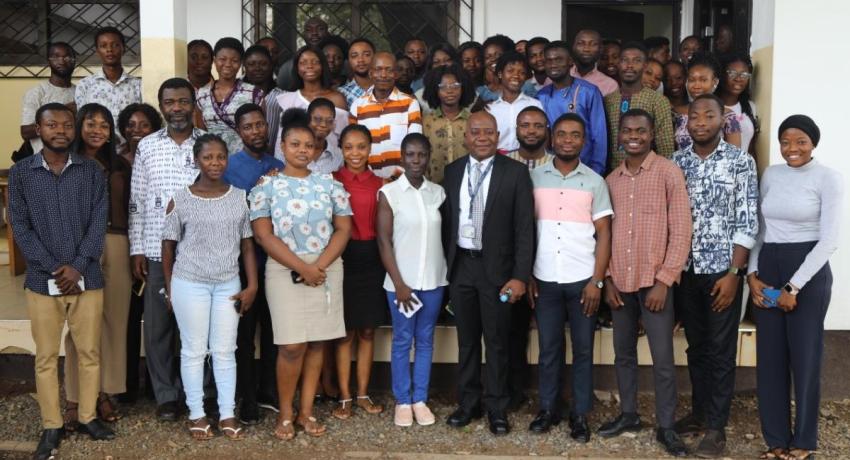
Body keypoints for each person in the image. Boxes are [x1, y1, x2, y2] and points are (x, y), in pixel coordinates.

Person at [8, 103, 113, 460]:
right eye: (52, 125)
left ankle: (87, 417)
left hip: (87, 278)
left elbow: (98, 221)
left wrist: (78, 266)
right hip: (43, 280)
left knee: (89, 352)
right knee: (46, 357)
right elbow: (20, 227)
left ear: (74, 130)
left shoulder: (91, 171)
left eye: (67, 125)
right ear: (38, 129)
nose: (61, 131)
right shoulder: (21, 173)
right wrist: (56, 267)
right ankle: (51, 424)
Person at [249, 112, 352, 440]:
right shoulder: (266, 186)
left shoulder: (329, 184)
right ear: (282, 146)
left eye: (309, 145)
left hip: (325, 268)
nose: (303, 150)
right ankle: (285, 413)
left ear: (317, 149)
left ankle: (306, 412)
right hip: (284, 270)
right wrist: (302, 268)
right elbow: (263, 235)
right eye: (295, 144)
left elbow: (343, 228)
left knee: (317, 342)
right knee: (292, 345)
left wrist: (318, 266)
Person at [747, 115, 842, 460]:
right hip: (769, 266)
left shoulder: (828, 178)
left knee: (805, 359)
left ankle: (803, 442)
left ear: (813, 143)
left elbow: (829, 240)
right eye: (785, 141)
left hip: (807, 273)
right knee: (769, 360)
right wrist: (752, 274)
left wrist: (793, 287)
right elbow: (761, 228)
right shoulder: (772, 175)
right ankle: (775, 440)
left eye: (801, 141)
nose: (792, 148)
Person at [599, 109, 691, 457]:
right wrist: (607, 279)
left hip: (655, 284)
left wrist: (664, 281)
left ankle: (666, 426)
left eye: (641, 130)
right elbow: (603, 235)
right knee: (623, 354)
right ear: (619, 136)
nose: (634, 136)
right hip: (620, 281)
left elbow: (681, 230)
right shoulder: (611, 181)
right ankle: (629, 415)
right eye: (627, 130)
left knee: (662, 358)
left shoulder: (668, 172)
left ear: (652, 135)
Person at [672, 94, 759, 458]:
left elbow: (747, 219)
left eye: (709, 115)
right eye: (695, 116)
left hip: (723, 272)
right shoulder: (676, 162)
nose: (701, 122)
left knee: (721, 351)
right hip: (687, 271)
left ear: (722, 120)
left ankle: (717, 428)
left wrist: (735, 272)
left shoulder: (741, 161)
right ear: (687, 123)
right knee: (697, 347)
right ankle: (699, 413)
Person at [442, 111, 534, 436]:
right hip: (462, 267)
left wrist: (520, 276)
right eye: (475, 132)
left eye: (488, 132)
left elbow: (525, 229)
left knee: (497, 342)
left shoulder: (516, 173)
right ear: (466, 136)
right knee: (466, 341)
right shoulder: (453, 171)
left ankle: (497, 407)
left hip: (498, 271)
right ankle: (468, 404)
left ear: (498, 136)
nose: (482, 137)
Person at [161, 134, 257, 440]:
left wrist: (252, 285)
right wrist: (170, 289)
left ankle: (227, 414)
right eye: (208, 157)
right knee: (193, 351)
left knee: (225, 350)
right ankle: (197, 414)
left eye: (220, 157)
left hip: (228, 283)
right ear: (196, 160)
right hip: (189, 283)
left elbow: (247, 245)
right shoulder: (181, 198)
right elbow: (168, 246)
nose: (215, 163)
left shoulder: (239, 196)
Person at [527, 113, 612, 441]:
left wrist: (597, 281)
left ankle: (580, 414)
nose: (567, 140)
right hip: (545, 279)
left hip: (582, 281)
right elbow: (526, 230)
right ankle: (548, 408)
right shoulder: (534, 178)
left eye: (575, 135)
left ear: (583, 141)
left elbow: (604, 234)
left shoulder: (595, 181)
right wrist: (527, 274)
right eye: (561, 134)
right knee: (548, 348)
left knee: (583, 350)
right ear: (552, 138)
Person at [129, 78, 205, 421]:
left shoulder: (208, 144)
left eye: (183, 101)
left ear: (193, 104)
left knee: (197, 327)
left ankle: (198, 394)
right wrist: (137, 248)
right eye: (170, 102)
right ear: (161, 106)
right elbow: (138, 199)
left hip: (199, 250)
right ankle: (166, 396)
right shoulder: (147, 146)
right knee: (158, 328)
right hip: (157, 250)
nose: (177, 108)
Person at [377, 133, 448, 427]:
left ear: (428, 156)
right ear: (402, 157)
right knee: (402, 340)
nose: (416, 160)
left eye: (421, 154)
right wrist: (399, 284)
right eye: (410, 154)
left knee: (426, 340)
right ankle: (403, 401)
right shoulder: (389, 193)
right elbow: (384, 240)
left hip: (434, 280)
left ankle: (420, 399)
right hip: (400, 284)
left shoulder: (438, 193)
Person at [63, 103, 127, 427]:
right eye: (91, 123)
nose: (97, 130)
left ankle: (104, 392)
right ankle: (75, 397)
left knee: (113, 322)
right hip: (78, 248)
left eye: (104, 125)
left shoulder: (119, 164)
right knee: (80, 324)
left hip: (116, 242)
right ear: (79, 126)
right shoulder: (65, 162)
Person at [223, 103, 284, 423]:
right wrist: (260, 187)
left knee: (274, 331)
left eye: (260, 125)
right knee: (244, 336)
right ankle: (246, 398)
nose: (256, 131)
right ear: (239, 131)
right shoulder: (229, 167)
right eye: (248, 127)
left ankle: (268, 392)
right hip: (241, 263)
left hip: (275, 263)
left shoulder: (279, 165)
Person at [330, 124, 387, 420]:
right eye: (349, 147)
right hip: (342, 257)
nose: (355, 153)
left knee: (367, 330)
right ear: (341, 149)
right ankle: (344, 396)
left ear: (370, 148)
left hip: (373, 258)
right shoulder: (330, 180)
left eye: (361, 146)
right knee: (344, 333)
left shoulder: (381, 183)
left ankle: (363, 394)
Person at [115, 102, 162, 403]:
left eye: (144, 125)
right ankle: (128, 385)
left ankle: (158, 387)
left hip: (153, 245)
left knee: (158, 323)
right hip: (124, 246)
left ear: (155, 128)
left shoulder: (159, 158)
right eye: (131, 125)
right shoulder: (115, 161)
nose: (137, 130)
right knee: (129, 319)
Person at [535, 40, 608, 175]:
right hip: (552, 171)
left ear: (570, 61)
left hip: (586, 170)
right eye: (549, 61)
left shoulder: (588, 92)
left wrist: (597, 171)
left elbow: (599, 135)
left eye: (558, 60)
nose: (553, 65)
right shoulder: (541, 96)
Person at [349, 52, 423, 179]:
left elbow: (414, 145)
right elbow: (353, 146)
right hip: (367, 180)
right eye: (378, 69)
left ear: (396, 74)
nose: (383, 75)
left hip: (401, 180)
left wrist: (396, 176)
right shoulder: (357, 106)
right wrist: (369, 178)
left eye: (389, 70)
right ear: (371, 73)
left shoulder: (410, 103)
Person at [604, 42, 674, 170]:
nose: (629, 65)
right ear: (618, 64)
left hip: (648, 172)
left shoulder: (658, 101)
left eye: (637, 61)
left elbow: (666, 147)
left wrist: (663, 173)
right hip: (611, 173)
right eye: (624, 60)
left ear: (644, 65)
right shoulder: (608, 100)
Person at [273, 45, 348, 161]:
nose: (309, 66)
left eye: (315, 62)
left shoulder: (337, 99)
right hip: (295, 165)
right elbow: (280, 142)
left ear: (323, 66)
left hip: (330, 163)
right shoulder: (288, 100)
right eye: (303, 63)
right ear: (297, 68)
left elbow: (344, 138)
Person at [195, 37, 264, 155]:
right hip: (213, 159)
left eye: (234, 60)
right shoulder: (201, 95)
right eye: (222, 59)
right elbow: (202, 133)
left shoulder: (253, 93)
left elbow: (261, 131)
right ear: (214, 60)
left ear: (241, 63)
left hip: (244, 158)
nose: (228, 64)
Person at [74, 26, 142, 139]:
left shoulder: (137, 85)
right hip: (98, 146)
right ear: (97, 51)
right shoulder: (85, 85)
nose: (109, 49)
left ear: (123, 49)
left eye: (115, 45)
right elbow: (83, 122)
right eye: (103, 46)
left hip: (129, 146)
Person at [19, 42, 76, 160]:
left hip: (74, 160)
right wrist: (65, 111)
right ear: (48, 61)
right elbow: (25, 132)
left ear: (74, 61)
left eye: (67, 57)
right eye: (56, 57)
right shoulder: (37, 93)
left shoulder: (81, 92)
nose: (61, 61)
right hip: (43, 162)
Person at [673, 53, 742, 151]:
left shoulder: (728, 115)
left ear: (715, 82)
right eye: (692, 80)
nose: (696, 85)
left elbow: (735, 154)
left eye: (703, 80)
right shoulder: (676, 113)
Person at [422, 64, 475, 183]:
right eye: (443, 87)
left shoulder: (473, 121)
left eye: (455, 86)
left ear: (464, 88)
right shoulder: (426, 122)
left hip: (466, 185)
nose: (450, 91)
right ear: (435, 90)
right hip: (434, 186)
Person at [485, 52, 543, 153]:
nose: (516, 76)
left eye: (522, 72)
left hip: (528, 157)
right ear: (500, 74)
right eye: (510, 71)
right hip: (499, 159)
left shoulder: (536, 105)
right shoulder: (490, 109)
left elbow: (543, 136)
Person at [242, 45, 285, 154]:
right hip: (243, 155)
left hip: (274, 156)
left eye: (263, 64)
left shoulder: (283, 94)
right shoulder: (237, 93)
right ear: (244, 66)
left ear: (271, 65)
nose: (257, 68)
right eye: (251, 64)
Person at [717, 53, 758, 154]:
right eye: (732, 73)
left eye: (744, 75)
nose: (738, 79)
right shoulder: (712, 107)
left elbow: (751, 148)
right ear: (722, 75)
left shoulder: (750, 107)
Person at [277, 16, 329, 90]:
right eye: (308, 30)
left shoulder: (337, 62)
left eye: (320, 29)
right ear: (303, 35)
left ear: (328, 33)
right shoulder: (288, 67)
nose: (314, 33)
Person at [414, 42, 460, 113]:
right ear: (430, 66)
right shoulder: (419, 96)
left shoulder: (468, 92)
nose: (442, 65)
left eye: (447, 60)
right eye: (436, 62)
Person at [570, 29, 618, 96]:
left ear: (601, 49)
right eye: (581, 43)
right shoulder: (562, 76)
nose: (586, 49)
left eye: (593, 44)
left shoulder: (610, 85)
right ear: (573, 47)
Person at [308, 98, 345, 174]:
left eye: (329, 121)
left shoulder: (339, 156)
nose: (323, 125)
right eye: (317, 119)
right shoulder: (293, 150)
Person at [339, 38, 375, 107]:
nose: (360, 60)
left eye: (366, 54)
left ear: (375, 57)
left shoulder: (385, 88)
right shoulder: (341, 93)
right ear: (348, 61)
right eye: (354, 56)